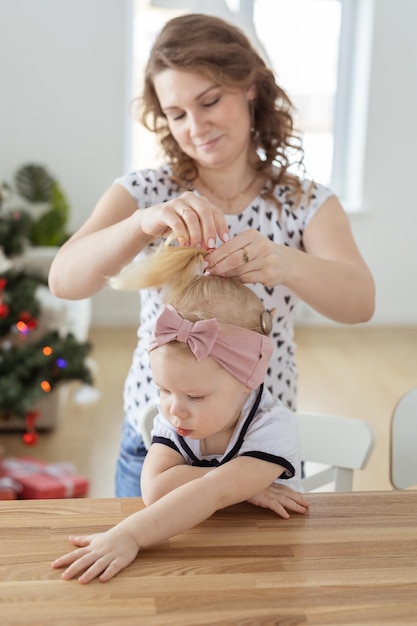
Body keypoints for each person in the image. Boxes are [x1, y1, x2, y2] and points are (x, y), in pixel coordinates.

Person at [48, 13, 375, 497]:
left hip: (260, 442)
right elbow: (64, 280)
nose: (196, 127)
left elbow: (360, 302)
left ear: (250, 89)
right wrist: (140, 225)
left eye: (209, 101)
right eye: (176, 114)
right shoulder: (144, 193)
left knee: (267, 573)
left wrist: (285, 262)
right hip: (158, 439)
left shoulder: (306, 203)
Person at [51, 243, 310, 584]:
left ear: (249, 380)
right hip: (205, 557)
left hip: (274, 560)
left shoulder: (272, 427)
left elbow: (214, 492)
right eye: (164, 389)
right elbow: (156, 491)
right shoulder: (177, 417)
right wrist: (247, 488)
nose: (174, 408)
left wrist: (129, 535)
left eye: (195, 396)